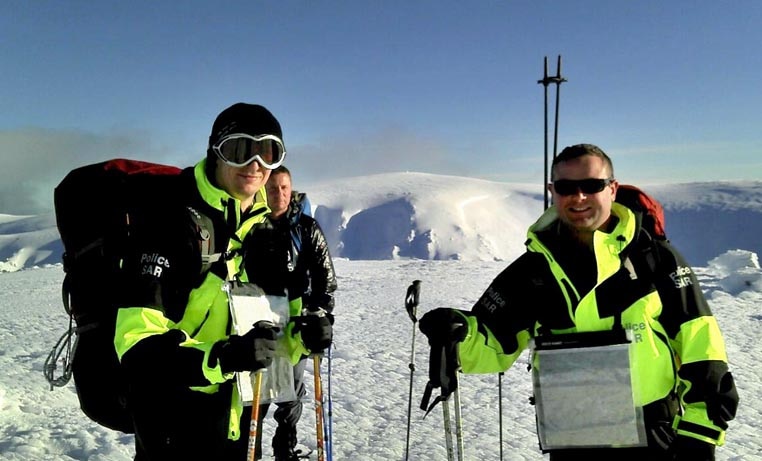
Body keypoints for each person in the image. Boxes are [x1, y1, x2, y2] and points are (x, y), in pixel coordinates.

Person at [419, 144, 738, 460]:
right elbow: (492, 345)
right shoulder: (532, 271)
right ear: (552, 191)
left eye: (592, 185)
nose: (579, 196)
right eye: (566, 187)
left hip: (655, 439)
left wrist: (700, 433)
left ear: (612, 189)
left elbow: (702, 348)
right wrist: (460, 332)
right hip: (572, 441)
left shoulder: (655, 259)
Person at [113, 102, 328, 460]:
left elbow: (275, 332)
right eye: (240, 149)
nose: (255, 164)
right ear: (216, 151)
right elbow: (134, 342)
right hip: (172, 418)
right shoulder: (169, 218)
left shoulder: (265, 230)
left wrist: (302, 337)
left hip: (242, 413)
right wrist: (220, 359)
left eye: (269, 151)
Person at [246, 165, 337, 460]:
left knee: (291, 392)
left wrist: (320, 313)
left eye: (284, 188)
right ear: (263, 190)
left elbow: (325, 277)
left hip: (295, 322)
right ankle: (250, 451)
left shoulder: (306, 227)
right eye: (273, 189)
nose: (279, 194)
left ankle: (284, 448)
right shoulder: (250, 225)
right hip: (254, 317)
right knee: (253, 394)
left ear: (292, 189)